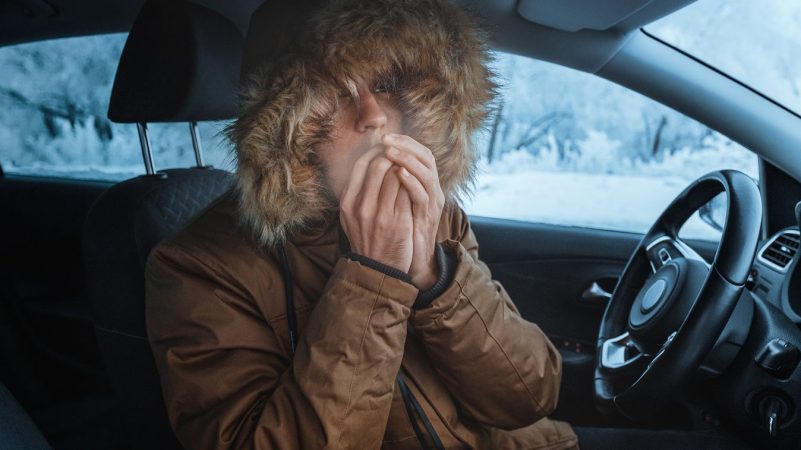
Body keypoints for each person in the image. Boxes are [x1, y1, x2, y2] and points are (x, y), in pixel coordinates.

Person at [144, 0, 580, 448]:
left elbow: (531, 395)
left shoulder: (433, 211)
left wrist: (434, 274)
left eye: (387, 84)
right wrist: (374, 278)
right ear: (283, 126)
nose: (373, 115)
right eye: (335, 92)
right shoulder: (198, 268)